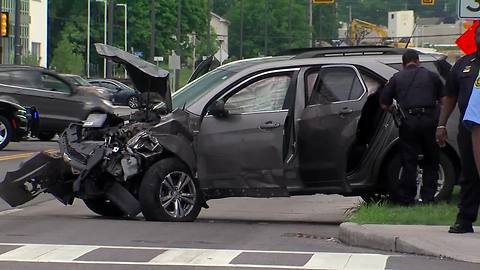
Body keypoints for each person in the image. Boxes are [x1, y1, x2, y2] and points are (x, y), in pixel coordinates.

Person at [381, 49, 444, 206]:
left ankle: (407, 199)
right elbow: (444, 99)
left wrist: (396, 111)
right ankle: (429, 198)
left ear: (403, 64)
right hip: (430, 121)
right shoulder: (432, 76)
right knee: (431, 159)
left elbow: (384, 104)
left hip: (408, 122)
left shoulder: (396, 78)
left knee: (409, 161)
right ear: (418, 61)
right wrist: (437, 116)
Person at [438, 26, 480, 233]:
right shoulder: (464, 64)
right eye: (478, 34)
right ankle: (465, 218)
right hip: (469, 128)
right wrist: (441, 124)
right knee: (469, 172)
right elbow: (450, 96)